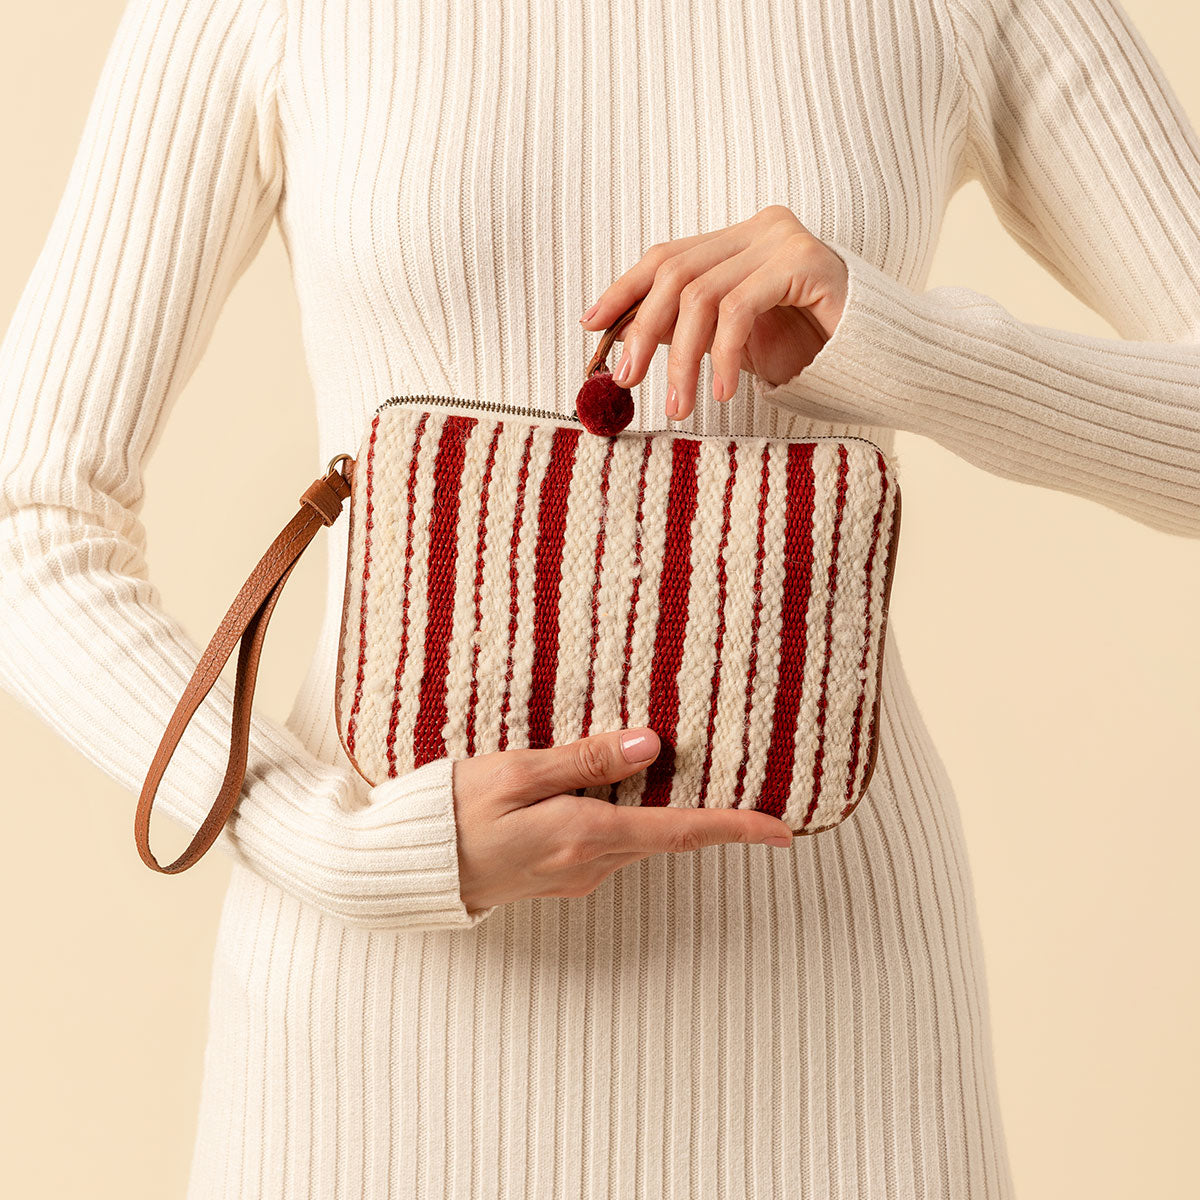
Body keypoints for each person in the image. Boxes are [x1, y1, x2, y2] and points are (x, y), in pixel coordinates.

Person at [1, 0, 1197, 1195]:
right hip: (371, 1038)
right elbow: (31, 519)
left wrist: (885, 338)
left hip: (829, 1024)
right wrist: (342, 842)